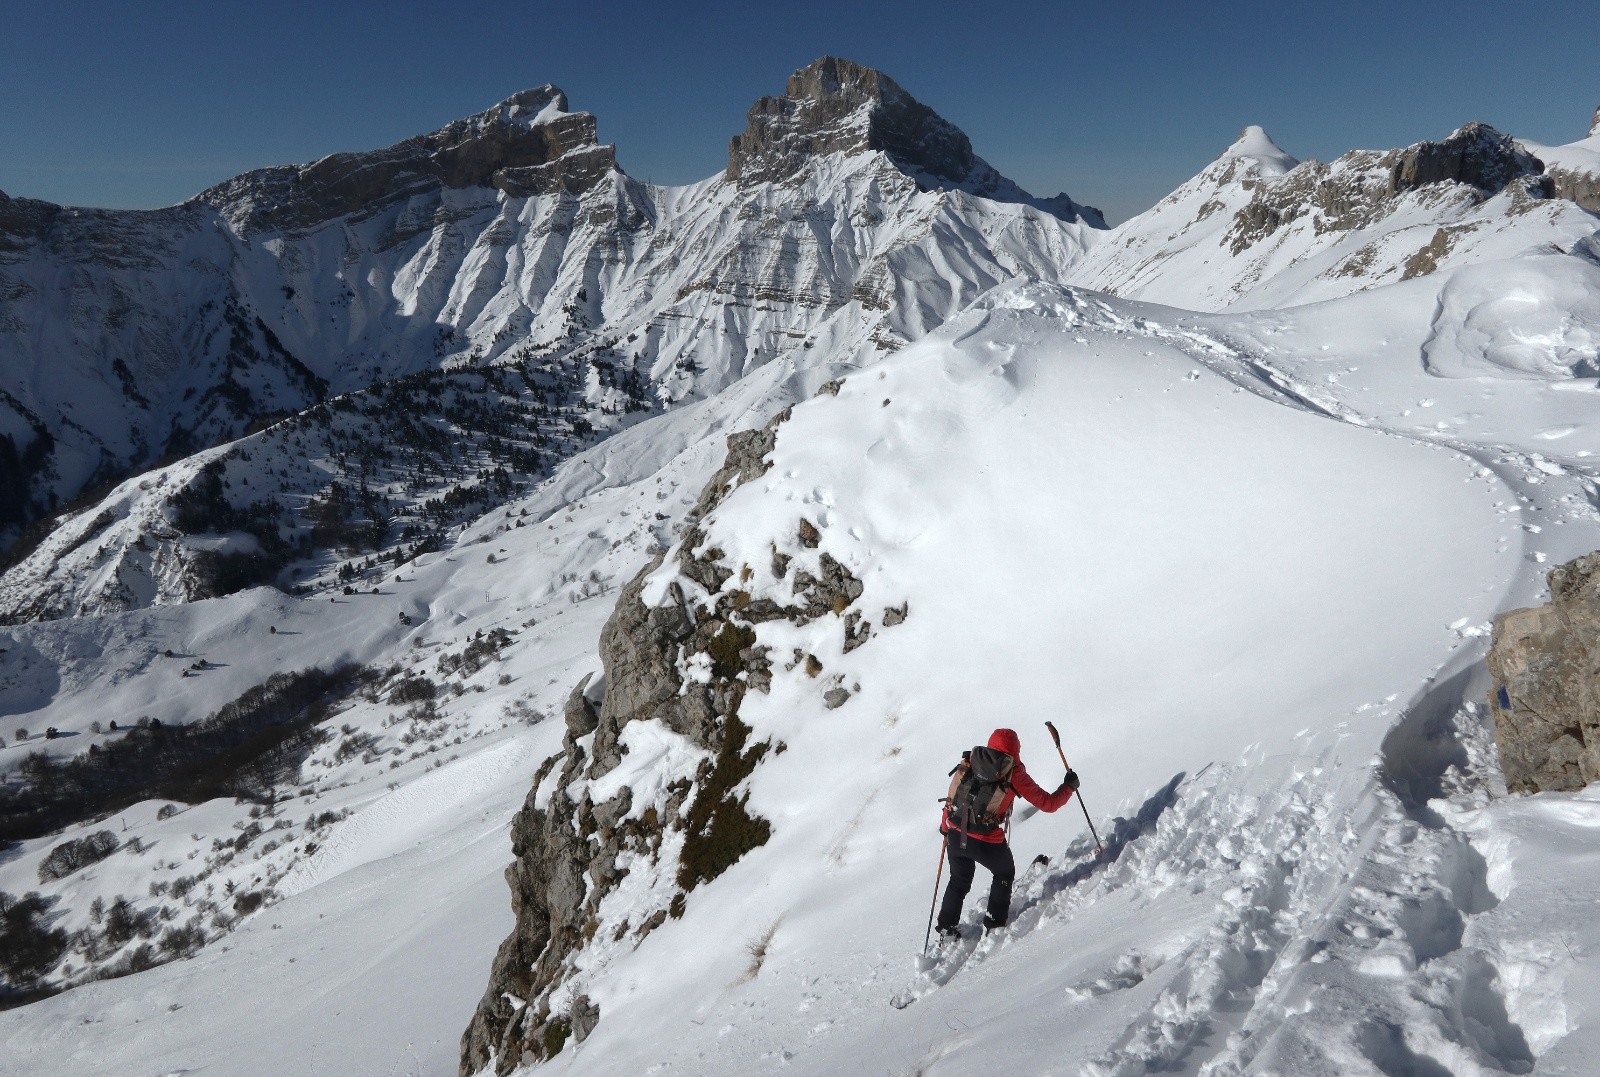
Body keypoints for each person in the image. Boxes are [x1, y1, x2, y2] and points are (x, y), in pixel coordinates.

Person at [936, 727, 1078, 938]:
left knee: (958, 879)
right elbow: (1048, 804)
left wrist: (945, 828)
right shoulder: (1014, 772)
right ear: (1016, 750)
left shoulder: (971, 761)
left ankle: (946, 928)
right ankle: (995, 923)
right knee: (1004, 873)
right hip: (986, 841)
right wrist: (1069, 787)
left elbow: (952, 799)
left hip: (957, 834)